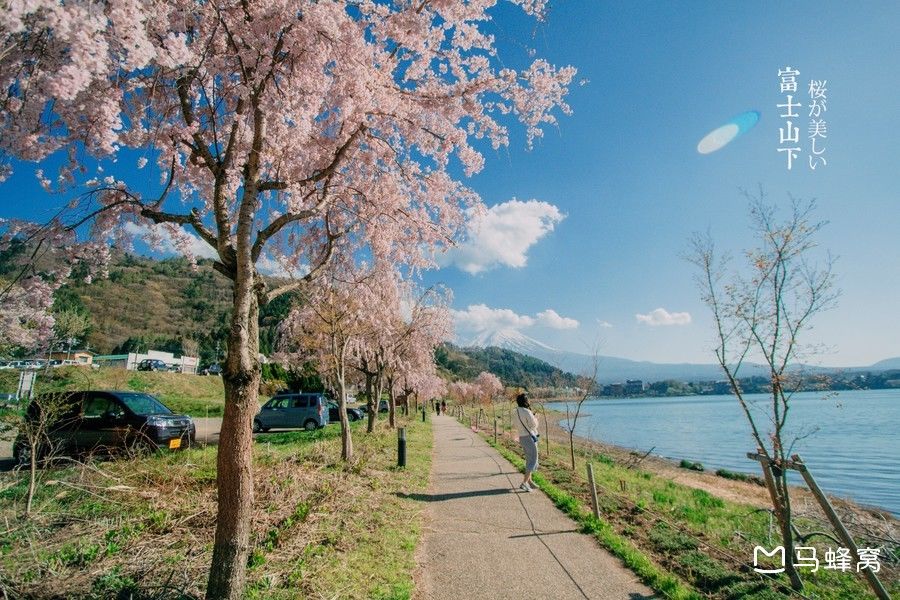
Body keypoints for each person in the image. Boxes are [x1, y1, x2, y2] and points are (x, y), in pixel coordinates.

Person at [514, 392, 539, 492]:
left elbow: (516, 424)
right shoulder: (527, 411)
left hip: (522, 437)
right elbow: (534, 425)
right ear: (525, 401)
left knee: (529, 459)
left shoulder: (515, 411)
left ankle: (530, 481)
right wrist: (535, 418)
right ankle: (524, 482)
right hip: (529, 438)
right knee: (533, 459)